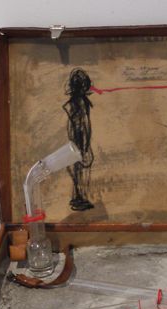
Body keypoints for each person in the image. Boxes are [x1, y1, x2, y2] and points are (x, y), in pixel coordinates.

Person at [63, 68, 95, 211]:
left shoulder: (74, 102)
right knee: (82, 167)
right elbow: (85, 125)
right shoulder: (82, 103)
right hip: (80, 139)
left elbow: (73, 126)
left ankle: (78, 197)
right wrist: (86, 145)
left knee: (78, 167)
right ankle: (81, 198)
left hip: (76, 139)